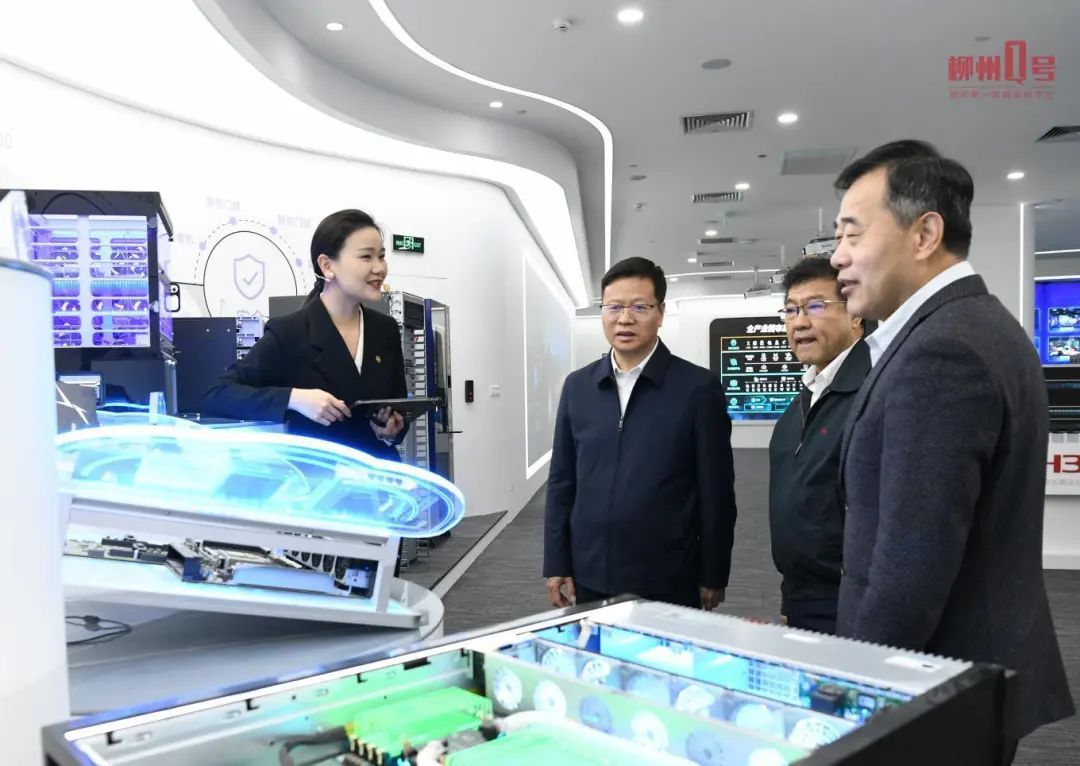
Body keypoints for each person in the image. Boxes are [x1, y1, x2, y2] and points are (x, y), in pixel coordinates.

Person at [829, 140, 1074, 752]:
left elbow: (910, 570)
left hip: (934, 691)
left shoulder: (942, 351)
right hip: (968, 674)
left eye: (853, 234)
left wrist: (855, 695)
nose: (837, 257)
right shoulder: (978, 324)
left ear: (924, 234)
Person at [543, 257, 737, 610]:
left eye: (639, 307)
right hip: (590, 571)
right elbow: (562, 481)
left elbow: (716, 491)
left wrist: (714, 572)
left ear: (660, 312)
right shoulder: (578, 386)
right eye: (614, 307)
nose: (625, 318)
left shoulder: (697, 388)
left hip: (669, 574)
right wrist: (557, 562)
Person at [202, 209, 408, 459]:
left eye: (381, 256)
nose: (379, 268)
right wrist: (294, 398)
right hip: (320, 476)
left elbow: (398, 409)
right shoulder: (290, 332)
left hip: (379, 475)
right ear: (327, 266)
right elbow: (218, 394)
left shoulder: (385, 329)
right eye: (367, 257)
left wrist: (392, 430)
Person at [768, 256, 868, 634]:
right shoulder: (804, 400)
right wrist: (790, 596)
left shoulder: (873, 393)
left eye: (815, 307)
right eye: (791, 310)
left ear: (856, 314)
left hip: (852, 603)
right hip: (804, 596)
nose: (799, 322)